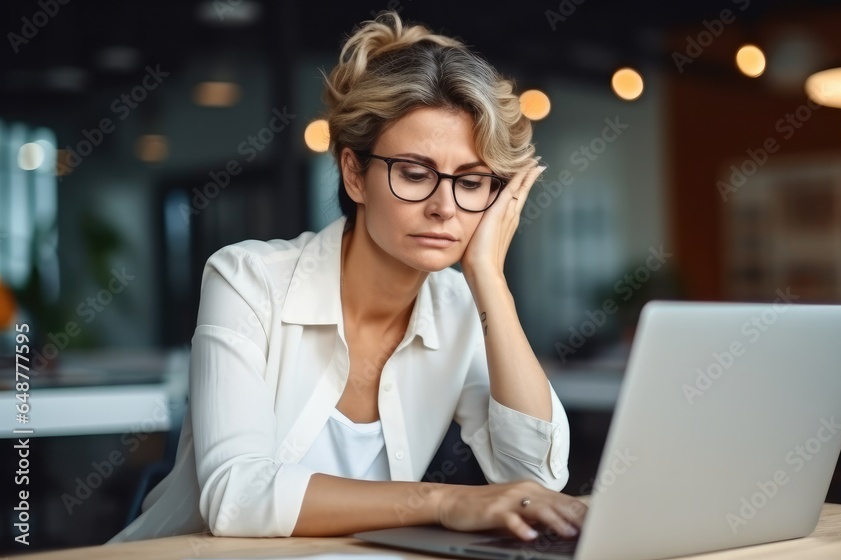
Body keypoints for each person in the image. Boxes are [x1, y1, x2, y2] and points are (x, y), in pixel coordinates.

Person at [108, 10, 585, 544]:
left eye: (472, 182)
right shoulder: (247, 279)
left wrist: (489, 280)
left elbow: (536, 479)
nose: (445, 207)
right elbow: (236, 497)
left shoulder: (457, 304)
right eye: (414, 174)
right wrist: (445, 500)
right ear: (354, 173)